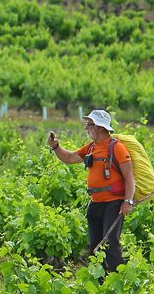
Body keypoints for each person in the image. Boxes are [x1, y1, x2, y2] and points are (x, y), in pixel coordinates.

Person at [46, 110, 135, 273]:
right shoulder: (91, 148)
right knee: (95, 245)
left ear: (100, 127)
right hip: (95, 203)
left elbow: (129, 177)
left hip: (114, 203)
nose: (87, 128)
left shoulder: (117, 148)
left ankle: (120, 279)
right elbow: (70, 158)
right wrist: (56, 147)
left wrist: (128, 201)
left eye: (89, 124)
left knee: (110, 242)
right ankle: (99, 281)